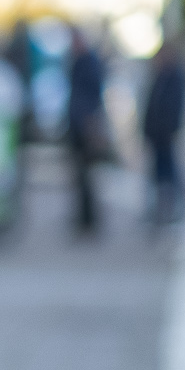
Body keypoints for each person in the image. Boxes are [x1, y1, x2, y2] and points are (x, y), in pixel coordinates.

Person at [66, 24, 114, 235]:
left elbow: (91, 97)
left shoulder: (88, 62)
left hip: (85, 125)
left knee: (88, 176)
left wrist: (90, 123)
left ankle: (89, 220)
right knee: (81, 176)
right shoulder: (79, 60)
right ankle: (84, 218)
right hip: (78, 124)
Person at [143, 38, 185, 228]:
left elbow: (176, 106)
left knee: (171, 172)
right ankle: (161, 209)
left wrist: (171, 129)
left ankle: (175, 208)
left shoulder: (175, 76)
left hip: (166, 133)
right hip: (156, 133)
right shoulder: (159, 75)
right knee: (159, 173)